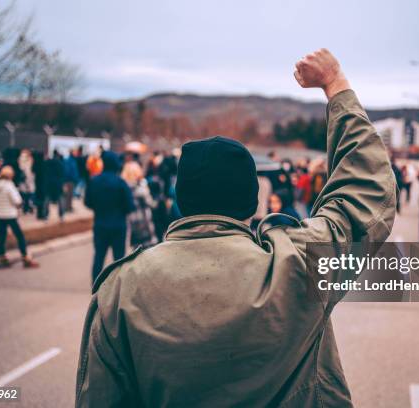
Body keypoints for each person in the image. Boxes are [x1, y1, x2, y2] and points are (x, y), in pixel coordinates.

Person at [76, 49, 396, 407]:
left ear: (182, 200)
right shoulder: (296, 265)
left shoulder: (119, 288)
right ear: (251, 202)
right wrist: (335, 84)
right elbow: (364, 193)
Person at [84, 151, 135, 283]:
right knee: (119, 260)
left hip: (100, 224)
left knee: (99, 256)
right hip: (119, 226)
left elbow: (87, 202)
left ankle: (95, 286)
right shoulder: (121, 183)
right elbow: (130, 206)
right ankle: (118, 286)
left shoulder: (94, 181)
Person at [0, 166, 39, 268]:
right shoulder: (9, 186)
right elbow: (17, 201)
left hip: (0, 213)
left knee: (2, 236)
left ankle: (2, 256)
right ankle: (25, 256)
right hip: (10, 214)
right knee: (19, 236)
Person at [121, 160, 157, 248]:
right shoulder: (140, 188)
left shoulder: (123, 188)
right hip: (144, 224)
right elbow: (151, 203)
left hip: (131, 224)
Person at [45, 150, 66, 220]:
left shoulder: (48, 162)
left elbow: (46, 174)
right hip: (58, 184)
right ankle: (61, 215)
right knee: (61, 199)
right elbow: (63, 174)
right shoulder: (60, 163)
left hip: (49, 184)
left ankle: (46, 214)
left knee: (47, 199)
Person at [18, 149, 35, 214]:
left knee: (25, 194)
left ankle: (26, 208)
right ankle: (28, 207)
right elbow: (27, 171)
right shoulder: (27, 159)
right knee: (28, 194)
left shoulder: (21, 159)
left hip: (24, 179)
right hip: (27, 179)